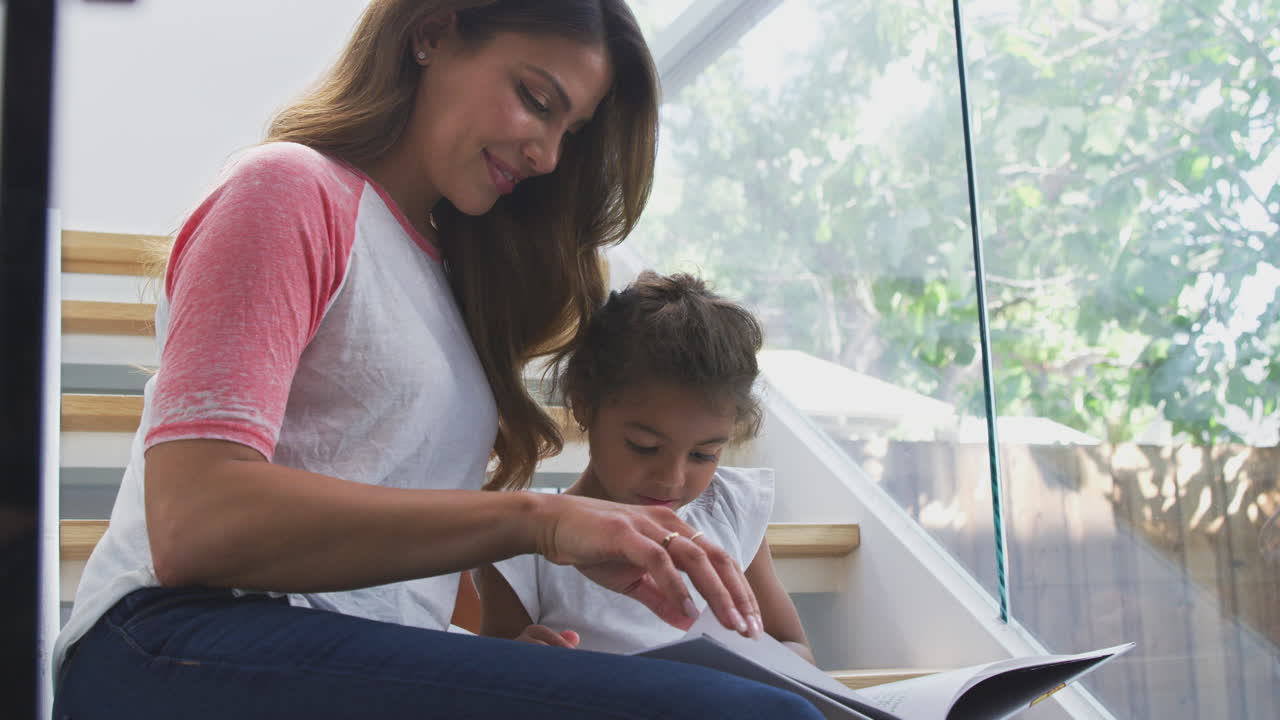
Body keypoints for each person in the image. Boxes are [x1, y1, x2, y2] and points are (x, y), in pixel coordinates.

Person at [51, 2, 827, 718]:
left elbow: (381, 570)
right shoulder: (288, 189)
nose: (550, 155)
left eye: (572, 132)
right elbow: (195, 523)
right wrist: (540, 522)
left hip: (322, 645)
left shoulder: (449, 286)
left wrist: (482, 655)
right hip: (172, 644)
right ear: (432, 32)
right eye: (536, 98)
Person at [476, 272, 815, 664]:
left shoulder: (730, 510)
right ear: (584, 403)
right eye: (645, 447)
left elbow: (795, 648)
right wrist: (522, 658)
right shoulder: (523, 548)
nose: (672, 479)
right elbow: (494, 675)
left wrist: (761, 663)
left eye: (703, 455)